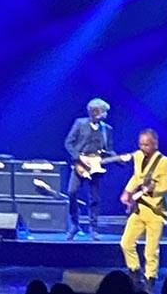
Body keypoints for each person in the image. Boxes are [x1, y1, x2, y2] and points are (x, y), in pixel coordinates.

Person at [120, 129, 167, 290]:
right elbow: (137, 177)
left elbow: (165, 188)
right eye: (141, 144)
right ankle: (134, 273)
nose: (143, 148)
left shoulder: (166, 163)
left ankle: (150, 279)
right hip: (139, 209)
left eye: (146, 145)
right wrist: (127, 192)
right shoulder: (138, 156)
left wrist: (150, 190)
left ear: (155, 144)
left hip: (155, 211)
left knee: (151, 251)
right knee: (126, 243)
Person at [64, 97, 114, 239]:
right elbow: (68, 143)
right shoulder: (80, 123)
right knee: (72, 192)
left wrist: (118, 159)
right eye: (104, 111)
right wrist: (78, 158)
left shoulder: (107, 129)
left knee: (94, 197)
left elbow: (109, 149)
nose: (106, 114)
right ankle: (74, 224)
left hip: (96, 166)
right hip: (80, 164)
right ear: (95, 111)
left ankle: (93, 228)